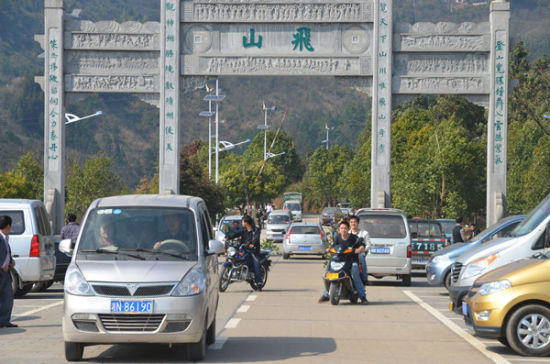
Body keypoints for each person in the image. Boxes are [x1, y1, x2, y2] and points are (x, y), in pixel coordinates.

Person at [319, 220, 368, 305]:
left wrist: (359, 249)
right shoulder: (337, 237)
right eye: (342, 228)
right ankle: (326, 294)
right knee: (329, 269)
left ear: (348, 229)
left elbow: (362, 245)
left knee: (354, 272)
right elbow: (334, 246)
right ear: (339, 229)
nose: (343, 230)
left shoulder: (354, 238)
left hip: (352, 259)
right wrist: (329, 249)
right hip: (339, 259)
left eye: (345, 228)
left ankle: (362, 296)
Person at [224, 215, 263, 289]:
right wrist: (227, 237)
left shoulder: (255, 230)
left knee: (256, 263)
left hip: (253, 251)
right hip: (243, 249)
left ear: (246, 223)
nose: (241, 223)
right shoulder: (243, 230)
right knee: (233, 257)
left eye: (242, 221)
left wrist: (252, 244)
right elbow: (235, 234)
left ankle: (259, 282)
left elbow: (256, 238)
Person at [0, 215, 17, 328]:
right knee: (5, 296)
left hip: (6, 271)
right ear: (8, 226)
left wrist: (10, 261)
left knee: (7, 296)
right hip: (1, 270)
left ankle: (4, 320)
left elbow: (6, 252)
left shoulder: (5, 238)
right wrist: (2, 265)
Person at [349, 215, 370, 285]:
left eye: (355, 222)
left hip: (360, 253)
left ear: (358, 223)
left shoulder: (364, 233)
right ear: (349, 223)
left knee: (361, 257)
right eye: (351, 222)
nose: (353, 224)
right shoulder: (347, 233)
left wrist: (362, 250)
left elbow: (368, 245)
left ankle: (364, 277)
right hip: (349, 253)